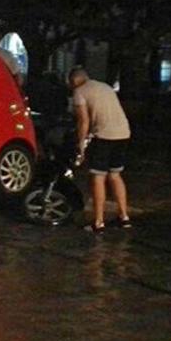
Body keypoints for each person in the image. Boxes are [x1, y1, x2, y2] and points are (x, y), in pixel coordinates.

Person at [68, 67, 132, 234]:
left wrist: (81, 144)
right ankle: (124, 217)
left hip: (104, 136)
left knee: (98, 177)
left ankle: (98, 222)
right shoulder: (105, 87)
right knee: (115, 175)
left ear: (73, 81)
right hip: (123, 133)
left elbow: (83, 121)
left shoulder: (79, 92)